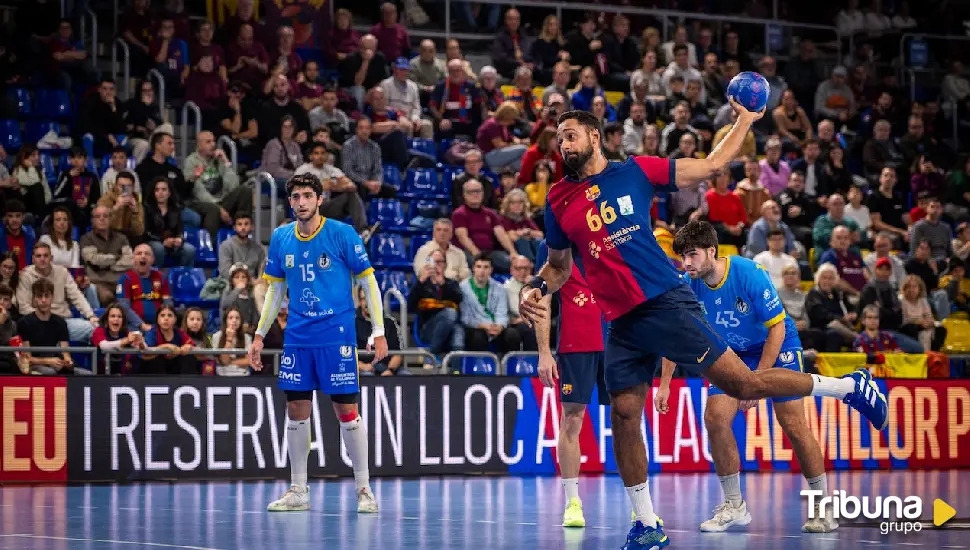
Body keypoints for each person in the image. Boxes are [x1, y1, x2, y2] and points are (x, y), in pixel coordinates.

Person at [518, 107, 888, 549]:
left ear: (595, 138)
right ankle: (647, 524)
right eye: (559, 138)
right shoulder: (558, 199)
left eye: (571, 135)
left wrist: (745, 122)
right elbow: (559, 266)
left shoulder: (635, 172)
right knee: (623, 413)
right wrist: (537, 286)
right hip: (619, 319)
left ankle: (848, 387)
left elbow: (711, 165)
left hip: (664, 303)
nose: (564, 145)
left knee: (745, 386)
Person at [666, 221, 837, 532]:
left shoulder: (749, 273)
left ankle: (822, 507)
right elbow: (675, 336)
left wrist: (755, 384)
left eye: (692, 255)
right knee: (715, 417)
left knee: (794, 425)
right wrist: (664, 383)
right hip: (734, 352)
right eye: (682, 257)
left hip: (776, 343)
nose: (686, 263)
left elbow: (777, 327)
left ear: (711, 251)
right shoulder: (687, 284)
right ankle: (734, 505)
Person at [247, 173, 386, 514]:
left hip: (336, 335)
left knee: (346, 410)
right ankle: (298, 489)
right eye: (295, 197)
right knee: (295, 408)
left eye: (308, 195)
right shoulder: (281, 237)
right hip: (297, 336)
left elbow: (368, 282)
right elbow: (275, 291)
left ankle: (364, 489)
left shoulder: (342, 233)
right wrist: (259, 334)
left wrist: (378, 330)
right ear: (290, 201)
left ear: (320, 199)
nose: (302, 202)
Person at [533, 240, 608, 528]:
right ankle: (572, 502)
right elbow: (543, 298)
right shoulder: (552, 245)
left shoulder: (613, 234)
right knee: (572, 419)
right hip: (576, 343)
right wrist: (543, 352)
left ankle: (640, 506)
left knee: (627, 417)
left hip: (617, 340)